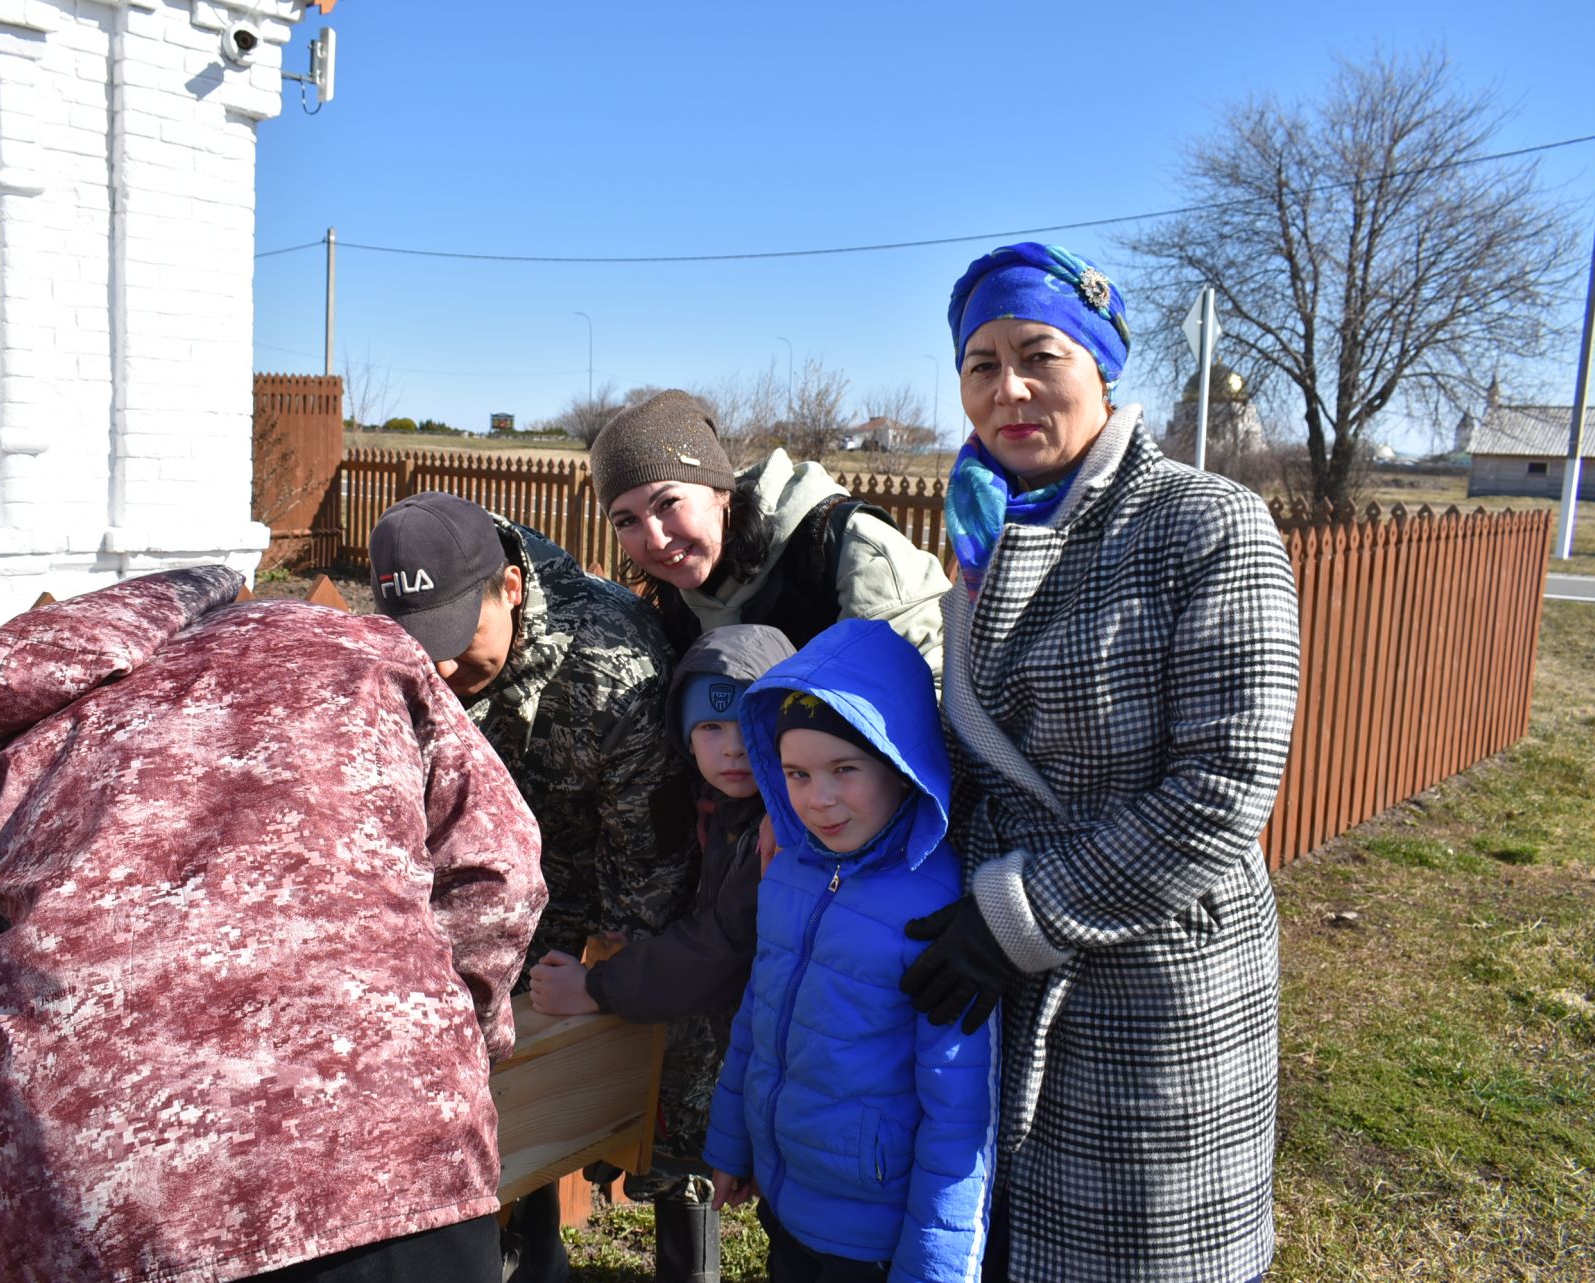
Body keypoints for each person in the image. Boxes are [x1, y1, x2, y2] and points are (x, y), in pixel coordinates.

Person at [0, 566, 547, 1283]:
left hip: (98, 1201)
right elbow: (499, 871)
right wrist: (446, 1030)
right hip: (389, 1161)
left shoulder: (21, 739)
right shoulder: (358, 652)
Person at [898, 242, 1301, 1282]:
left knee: (1146, 1251)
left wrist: (1016, 913)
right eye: (980, 364)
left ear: (1103, 366)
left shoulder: (1205, 522)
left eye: (1040, 354)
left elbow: (1224, 787)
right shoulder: (982, 533)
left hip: (1151, 967)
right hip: (1000, 964)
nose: (1010, 388)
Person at [368, 491, 693, 1283]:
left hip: (605, 879)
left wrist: (609, 982)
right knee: (498, 1080)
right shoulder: (404, 652)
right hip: (484, 895)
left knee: (664, 1086)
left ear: (509, 587)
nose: (441, 666)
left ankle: (688, 1258)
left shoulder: (615, 663)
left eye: (455, 637)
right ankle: (532, 1252)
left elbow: (648, 860)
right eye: (421, 643)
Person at [703, 619, 998, 1283]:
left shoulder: (937, 908)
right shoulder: (789, 870)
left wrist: (936, 1265)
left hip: (871, 1231)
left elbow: (958, 1111)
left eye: (846, 769)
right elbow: (757, 1013)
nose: (819, 799)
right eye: (797, 774)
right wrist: (732, 1140)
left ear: (902, 764)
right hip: (787, 1191)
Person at [529, 623, 796, 1283]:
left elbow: (718, 947)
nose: (733, 748)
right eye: (710, 728)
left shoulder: (778, 827)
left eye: (750, 723)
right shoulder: (722, 810)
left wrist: (598, 986)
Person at [589, 389, 950, 671]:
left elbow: (929, 695)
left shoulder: (847, 548)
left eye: (668, 503)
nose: (655, 539)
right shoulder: (674, 588)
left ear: (721, 491)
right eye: (626, 520)